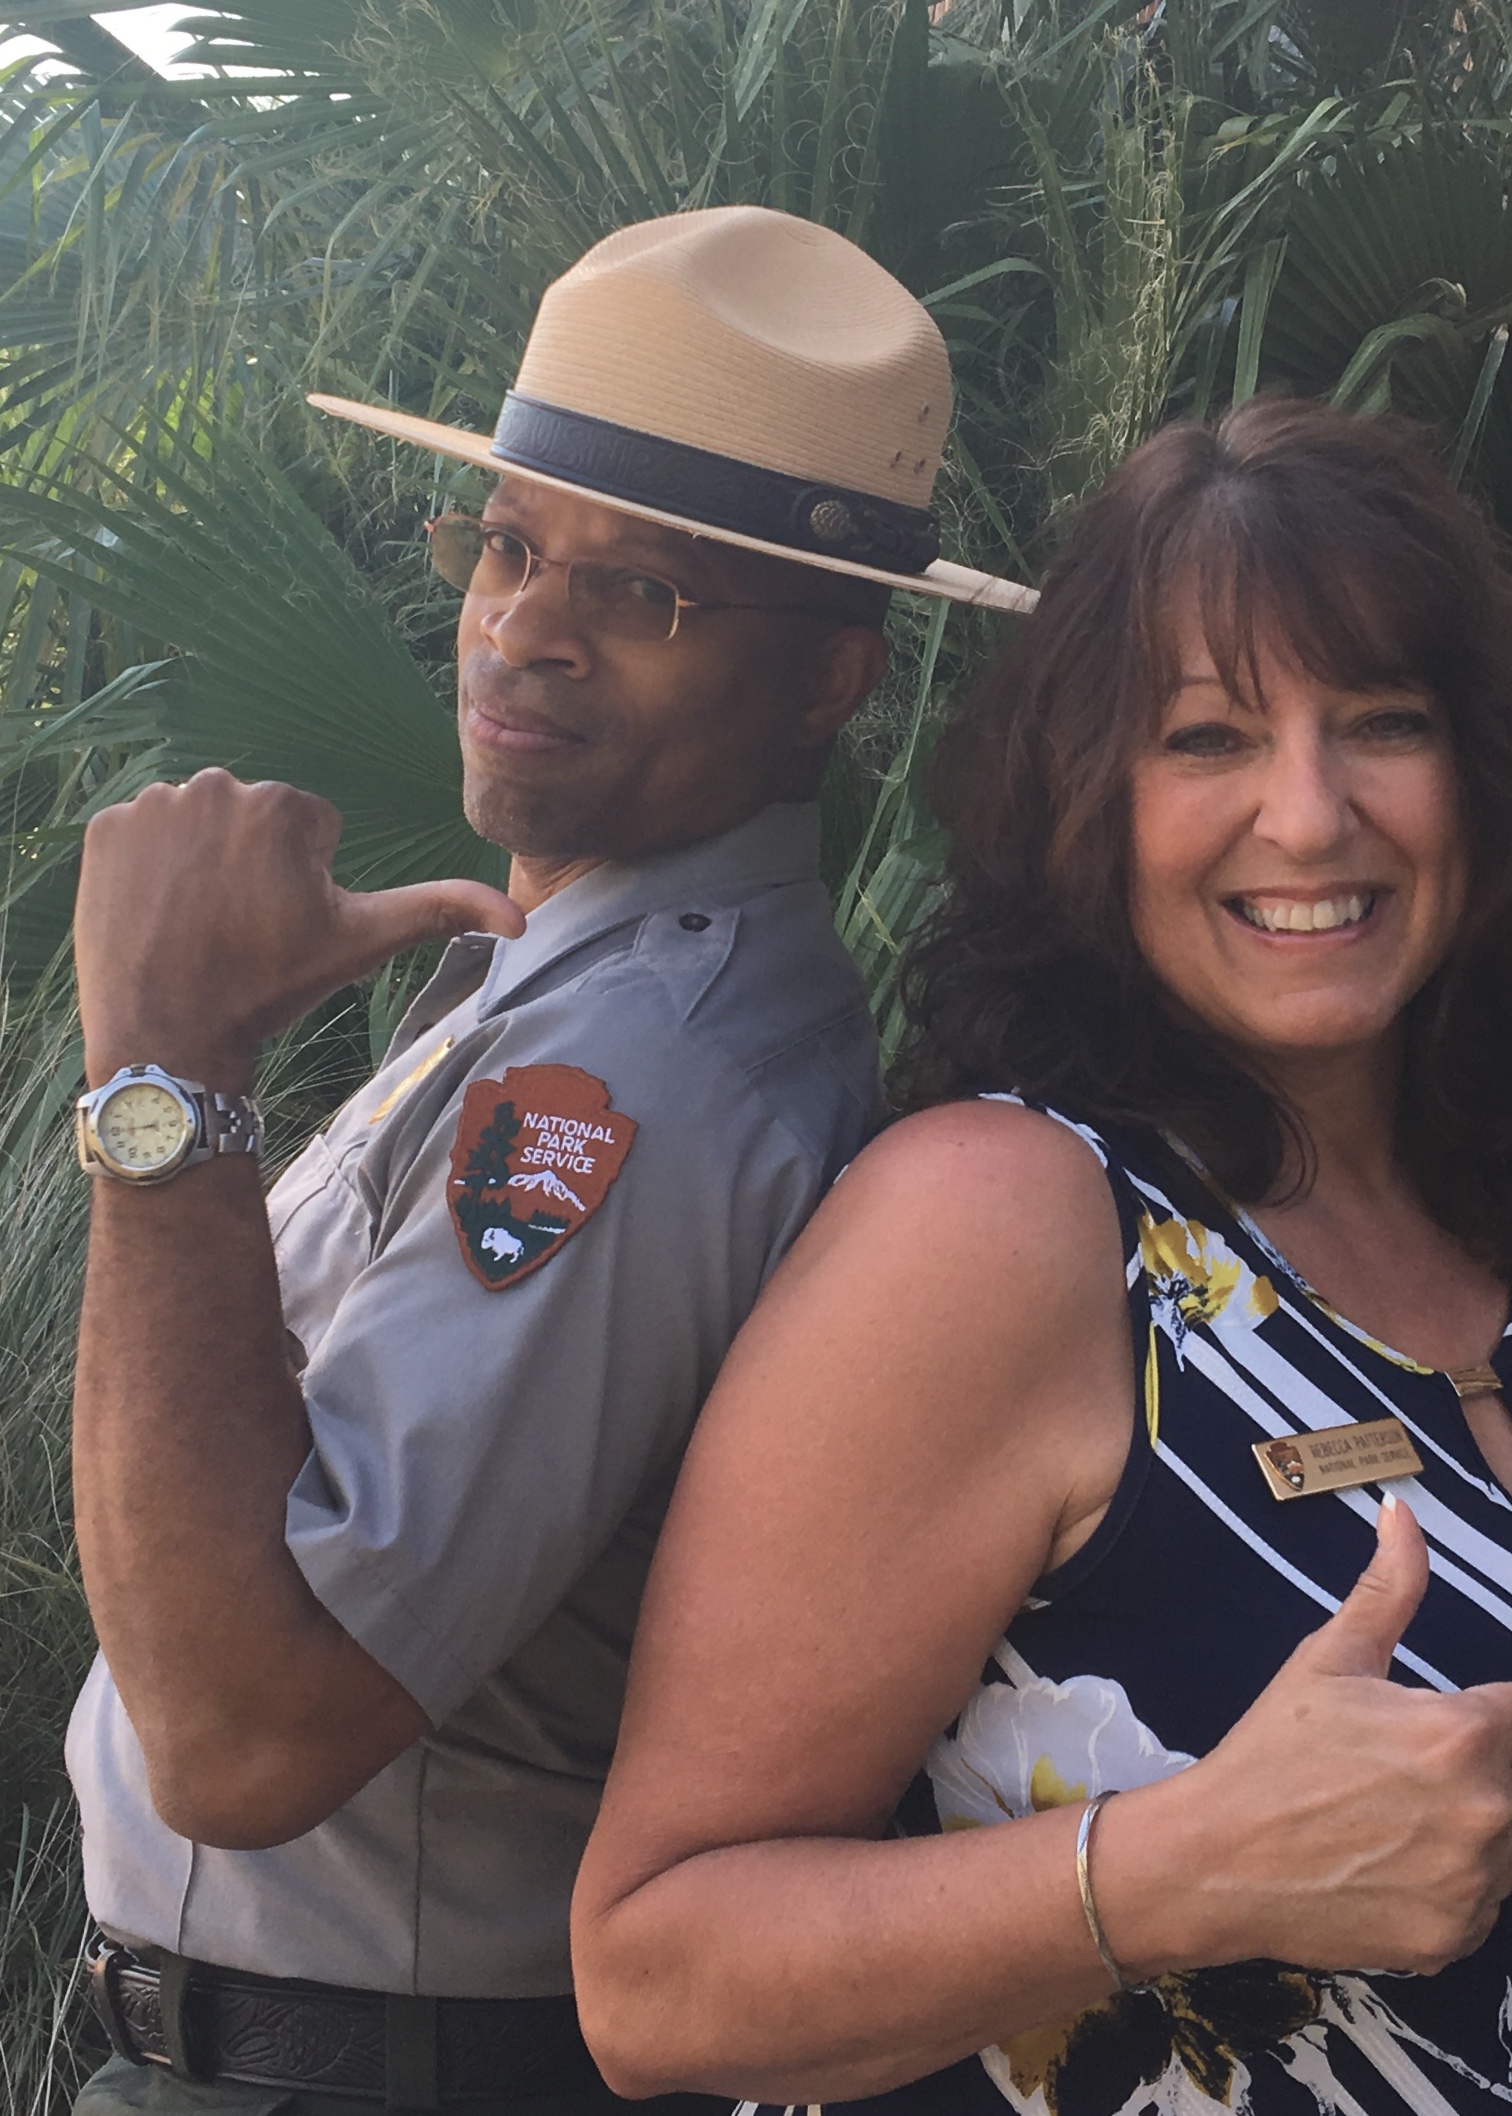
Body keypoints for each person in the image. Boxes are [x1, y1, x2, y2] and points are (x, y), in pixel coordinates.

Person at [570, 398, 1512, 2116]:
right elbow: (654, 1978)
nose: (1308, 813)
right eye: (1208, 739)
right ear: (1090, 799)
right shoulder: (1000, 1224)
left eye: (1384, 722)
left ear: (1481, 775)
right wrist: (1187, 1870)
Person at [64, 204, 1033, 2116]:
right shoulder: (557, 995)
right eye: (506, 545)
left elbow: (249, 1742)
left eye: (644, 593)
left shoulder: (643, 1082)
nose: (526, 625)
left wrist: (162, 1080)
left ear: (830, 681)